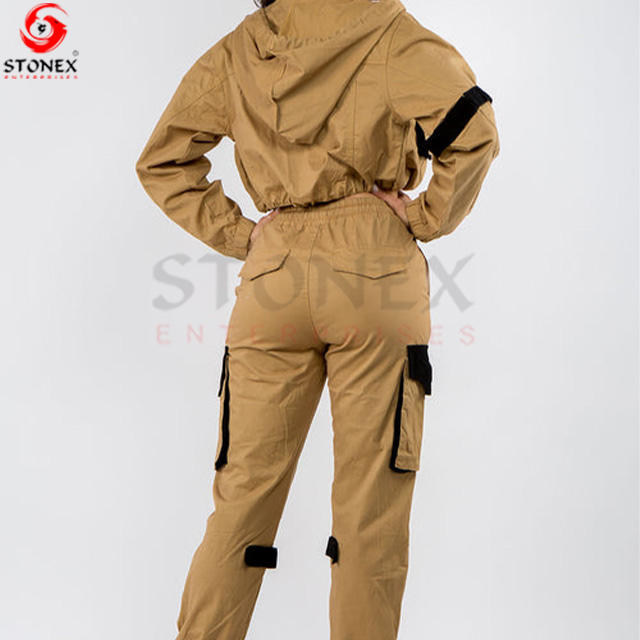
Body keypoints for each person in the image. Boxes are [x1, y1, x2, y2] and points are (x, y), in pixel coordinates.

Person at [135, 0, 500, 638]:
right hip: (374, 271)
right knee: (370, 512)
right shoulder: (390, 31)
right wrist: (422, 217)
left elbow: (163, 161)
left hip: (273, 274)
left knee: (241, 500)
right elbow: (474, 130)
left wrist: (245, 235)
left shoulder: (242, 47)